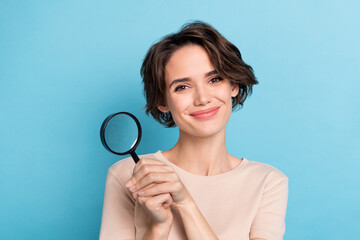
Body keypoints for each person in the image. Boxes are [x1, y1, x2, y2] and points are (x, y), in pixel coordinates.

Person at [99, 21, 288, 240]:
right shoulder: (128, 176)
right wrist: (158, 227)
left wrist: (184, 202)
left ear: (233, 86)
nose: (203, 98)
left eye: (215, 79)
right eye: (182, 87)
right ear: (162, 101)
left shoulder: (268, 183)